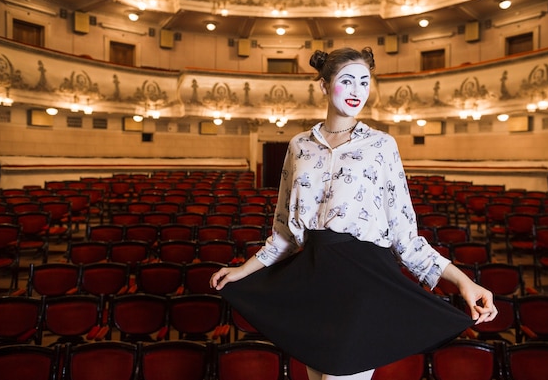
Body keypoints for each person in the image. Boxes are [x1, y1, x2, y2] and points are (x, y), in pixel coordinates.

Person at [210, 47, 497, 380]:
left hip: (363, 284)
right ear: (324, 86)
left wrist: (464, 283)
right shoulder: (299, 146)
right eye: (347, 81)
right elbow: (285, 235)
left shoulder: (382, 146)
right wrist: (242, 271)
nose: (357, 90)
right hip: (314, 281)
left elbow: (405, 237)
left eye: (364, 81)